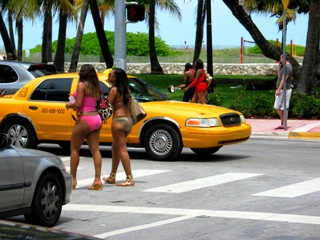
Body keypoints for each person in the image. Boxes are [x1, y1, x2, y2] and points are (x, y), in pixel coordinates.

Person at [65, 64, 103, 190]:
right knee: (95, 150)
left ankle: (73, 180)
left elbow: (79, 103)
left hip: (84, 118)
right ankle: (97, 179)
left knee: (74, 149)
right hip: (96, 118)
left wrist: (69, 105)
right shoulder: (96, 86)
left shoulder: (81, 85)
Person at [103, 68, 135, 186]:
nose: (108, 76)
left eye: (110, 75)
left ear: (115, 78)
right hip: (128, 121)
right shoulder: (126, 89)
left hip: (118, 121)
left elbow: (106, 105)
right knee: (115, 147)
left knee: (122, 149)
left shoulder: (114, 90)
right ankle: (112, 175)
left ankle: (129, 177)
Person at [274, 54, 292, 130]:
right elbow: (279, 76)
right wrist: (279, 67)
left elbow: (283, 79)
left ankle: (284, 123)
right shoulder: (285, 67)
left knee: (278, 107)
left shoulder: (287, 68)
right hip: (282, 89)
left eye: (281, 58)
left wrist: (279, 89)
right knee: (281, 107)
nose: (280, 59)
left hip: (283, 90)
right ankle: (283, 123)